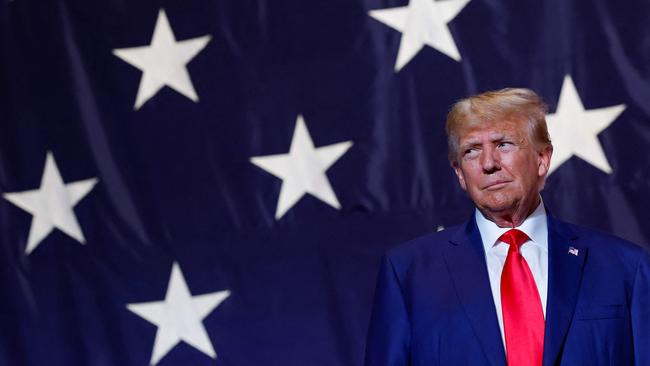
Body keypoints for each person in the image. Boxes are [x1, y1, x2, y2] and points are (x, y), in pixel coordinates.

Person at [364, 88, 650, 366]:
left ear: (542, 159)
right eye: (472, 151)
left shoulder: (624, 267)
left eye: (503, 144)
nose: (489, 163)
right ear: (460, 174)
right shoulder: (409, 273)